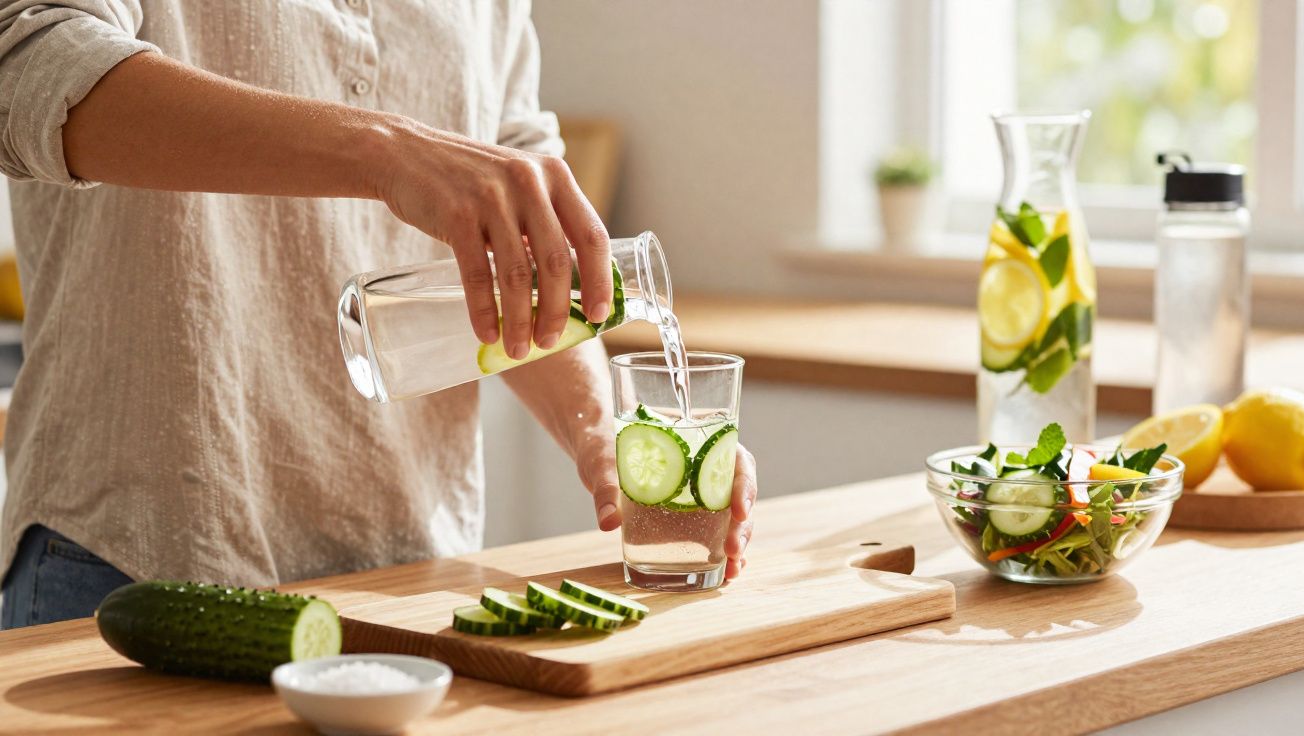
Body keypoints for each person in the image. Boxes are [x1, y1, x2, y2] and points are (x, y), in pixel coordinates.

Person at [0, 0, 756, 629]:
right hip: (130, 563)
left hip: (412, 581)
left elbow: (530, 238)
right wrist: (386, 153)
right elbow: (26, 61)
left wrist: (606, 440)